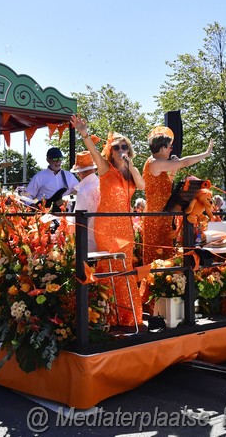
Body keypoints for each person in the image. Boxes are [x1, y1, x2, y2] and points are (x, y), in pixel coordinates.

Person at [71, 114, 145, 327]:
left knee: (126, 268)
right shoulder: (104, 169)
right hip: (106, 227)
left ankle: (129, 317)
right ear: (110, 152)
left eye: (124, 146)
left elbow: (141, 186)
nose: (121, 150)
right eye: (116, 147)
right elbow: (93, 153)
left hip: (126, 229)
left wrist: (130, 166)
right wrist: (84, 134)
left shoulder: (132, 171)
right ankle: (108, 317)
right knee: (109, 266)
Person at [141, 126, 214, 265]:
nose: (171, 149)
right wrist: (205, 154)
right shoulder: (154, 163)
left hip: (164, 216)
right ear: (162, 148)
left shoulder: (158, 165)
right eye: (169, 147)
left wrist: (173, 169)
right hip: (155, 217)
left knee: (166, 257)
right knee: (155, 259)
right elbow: (184, 162)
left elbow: (165, 185)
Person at [24, 147, 79, 211]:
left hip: (65, 215)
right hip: (44, 215)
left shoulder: (69, 176)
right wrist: (33, 206)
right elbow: (26, 194)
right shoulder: (39, 177)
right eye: (55, 158)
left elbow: (79, 190)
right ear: (48, 160)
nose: (58, 161)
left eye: (60, 158)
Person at [70, 151, 100, 252]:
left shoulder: (84, 191)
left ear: (79, 173)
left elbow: (78, 221)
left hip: (88, 243)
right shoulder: (103, 185)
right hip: (106, 240)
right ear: (94, 169)